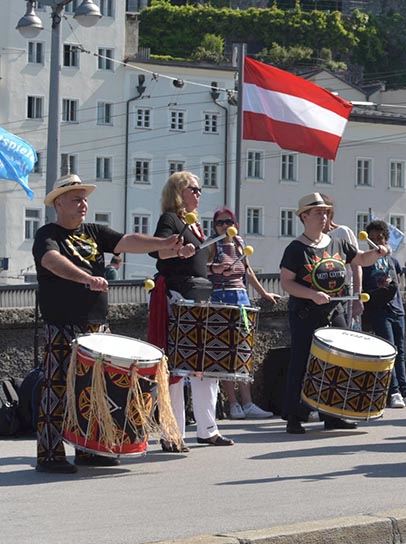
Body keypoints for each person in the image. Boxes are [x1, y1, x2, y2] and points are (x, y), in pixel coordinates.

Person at [33, 174, 193, 473]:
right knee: (56, 388)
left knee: (95, 390)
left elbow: (128, 240)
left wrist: (166, 244)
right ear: (58, 203)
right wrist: (86, 277)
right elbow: (52, 261)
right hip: (62, 324)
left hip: (96, 325)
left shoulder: (94, 231)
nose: (84, 204)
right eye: (76, 199)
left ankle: (89, 449)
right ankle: (50, 453)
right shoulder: (47, 234)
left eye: (84, 199)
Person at [279, 193, 391, 435]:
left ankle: (333, 415)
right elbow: (286, 283)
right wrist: (311, 294)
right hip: (306, 313)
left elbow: (360, 259)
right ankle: (294, 417)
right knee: (301, 362)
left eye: (326, 212)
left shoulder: (336, 242)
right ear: (304, 216)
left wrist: (377, 253)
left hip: (335, 310)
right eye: (318, 212)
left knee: (338, 361)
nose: (324, 216)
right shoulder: (296, 249)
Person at [147, 171, 233, 448]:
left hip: (199, 296)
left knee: (204, 365)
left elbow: (190, 261)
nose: (199, 193)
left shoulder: (194, 225)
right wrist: (176, 251)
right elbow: (159, 252)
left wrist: (211, 268)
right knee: (176, 366)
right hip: (177, 297)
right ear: (179, 191)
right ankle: (173, 433)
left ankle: (208, 428)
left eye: (199, 189)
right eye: (194, 189)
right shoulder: (170, 219)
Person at [206, 207, 279, 420]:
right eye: (220, 222)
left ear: (235, 224)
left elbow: (248, 271)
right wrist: (216, 269)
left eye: (228, 221)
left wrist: (264, 293)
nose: (224, 226)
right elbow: (203, 268)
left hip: (241, 298)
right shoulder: (212, 244)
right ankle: (233, 403)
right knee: (226, 353)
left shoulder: (239, 243)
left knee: (243, 352)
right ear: (214, 226)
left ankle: (248, 403)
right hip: (221, 298)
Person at [362, 219, 406, 409]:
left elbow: (398, 280)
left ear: (386, 239)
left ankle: (405, 391)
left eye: (380, 238)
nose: (377, 242)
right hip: (378, 310)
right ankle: (393, 392)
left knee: (400, 351)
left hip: (397, 309)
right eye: (373, 239)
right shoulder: (366, 262)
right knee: (389, 350)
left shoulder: (392, 260)